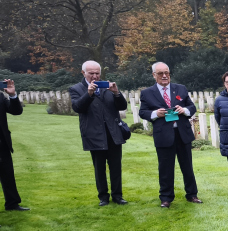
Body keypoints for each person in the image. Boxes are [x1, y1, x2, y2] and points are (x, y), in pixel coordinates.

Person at [139, 62, 201, 208]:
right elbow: (143, 112)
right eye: (160, 73)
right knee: (165, 168)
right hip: (164, 135)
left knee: (187, 166)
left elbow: (192, 107)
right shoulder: (147, 93)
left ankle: (192, 194)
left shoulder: (180, 88)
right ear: (154, 75)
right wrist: (155, 113)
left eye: (167, 72)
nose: (165, 76)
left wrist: (184, 110)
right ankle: (166, 198)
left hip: (182, 133)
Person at [68, 61, 128, 206]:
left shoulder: (107, 87)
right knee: (99, 167)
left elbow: (122, 106)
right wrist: (88, 94)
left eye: (97, 73)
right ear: (83, 73)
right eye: (91, 73)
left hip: (113, 133)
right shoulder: (76, 89)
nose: (95, 76)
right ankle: (103, 197)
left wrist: (116, 93)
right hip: (94, 134)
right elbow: (77, 107)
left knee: (115, 166)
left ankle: (117, 195)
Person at [0, 78, 27, 211]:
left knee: (7, 175)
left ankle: (12, 203)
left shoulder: (0, 96)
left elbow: (16, 111)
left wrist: (12, 95)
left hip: (2, 142)